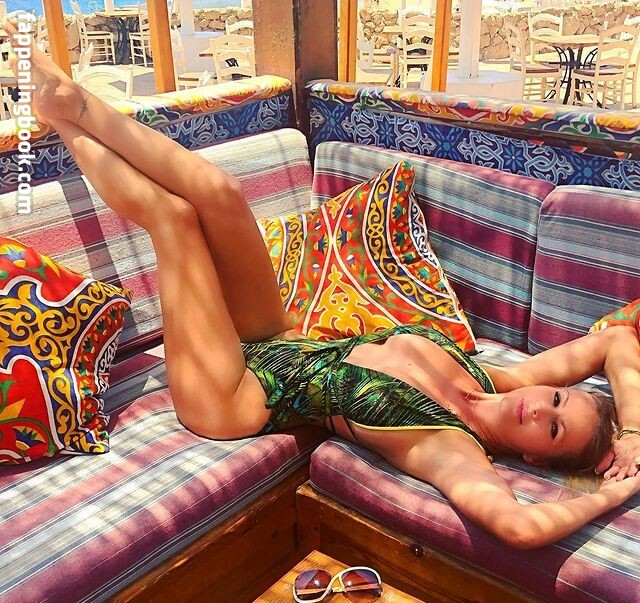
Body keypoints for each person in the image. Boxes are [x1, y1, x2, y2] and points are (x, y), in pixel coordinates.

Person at [3, 18, 640, 550]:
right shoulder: (501, 379)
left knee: (174, 220)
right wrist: (634, 432)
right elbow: (615, 343)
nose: (541, 408)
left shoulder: (451, 447)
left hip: (234, 399)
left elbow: (521, 527)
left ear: (534, 458)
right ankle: (72, 104)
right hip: (279, 339)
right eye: (560, 400)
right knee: (222, 196)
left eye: (551, 430)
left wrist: (619, 490)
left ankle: (63, 121)